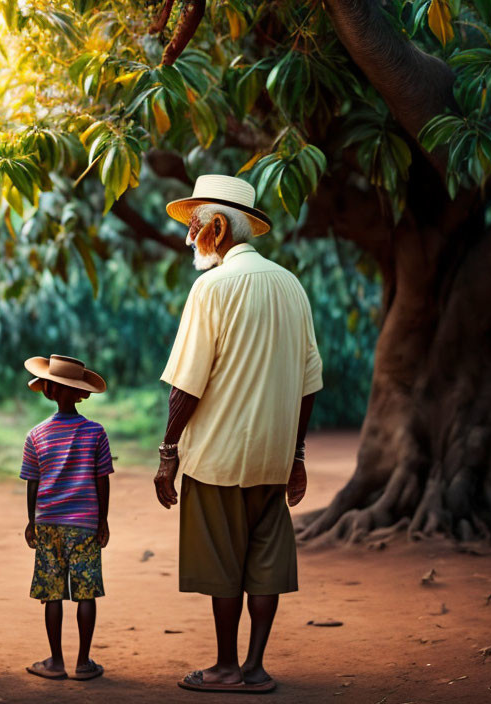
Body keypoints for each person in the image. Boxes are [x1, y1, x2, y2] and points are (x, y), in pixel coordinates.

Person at [153, 175, 323, 693]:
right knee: (264, 563)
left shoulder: (213, 287)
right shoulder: (290, 285)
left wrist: (167, 453)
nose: (189, 239)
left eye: (196, 227)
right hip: (272, 457)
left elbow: (186, 385)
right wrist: (295, 456)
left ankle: (226, 667)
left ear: (219, 227)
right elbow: (309, 382)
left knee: (223, 566)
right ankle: (254, 666)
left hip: (217, 458)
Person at [20, 354, 113, 681]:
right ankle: (83, 662)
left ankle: (56, 661)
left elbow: (33, 482)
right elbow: (102, 479)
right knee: (86, 592)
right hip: (85, 523)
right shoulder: (96, 433)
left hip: (48, 523)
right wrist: (102, 521)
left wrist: (32, 521)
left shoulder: (36, 435)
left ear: (47, 391)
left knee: (52, 593)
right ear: (81, 393)